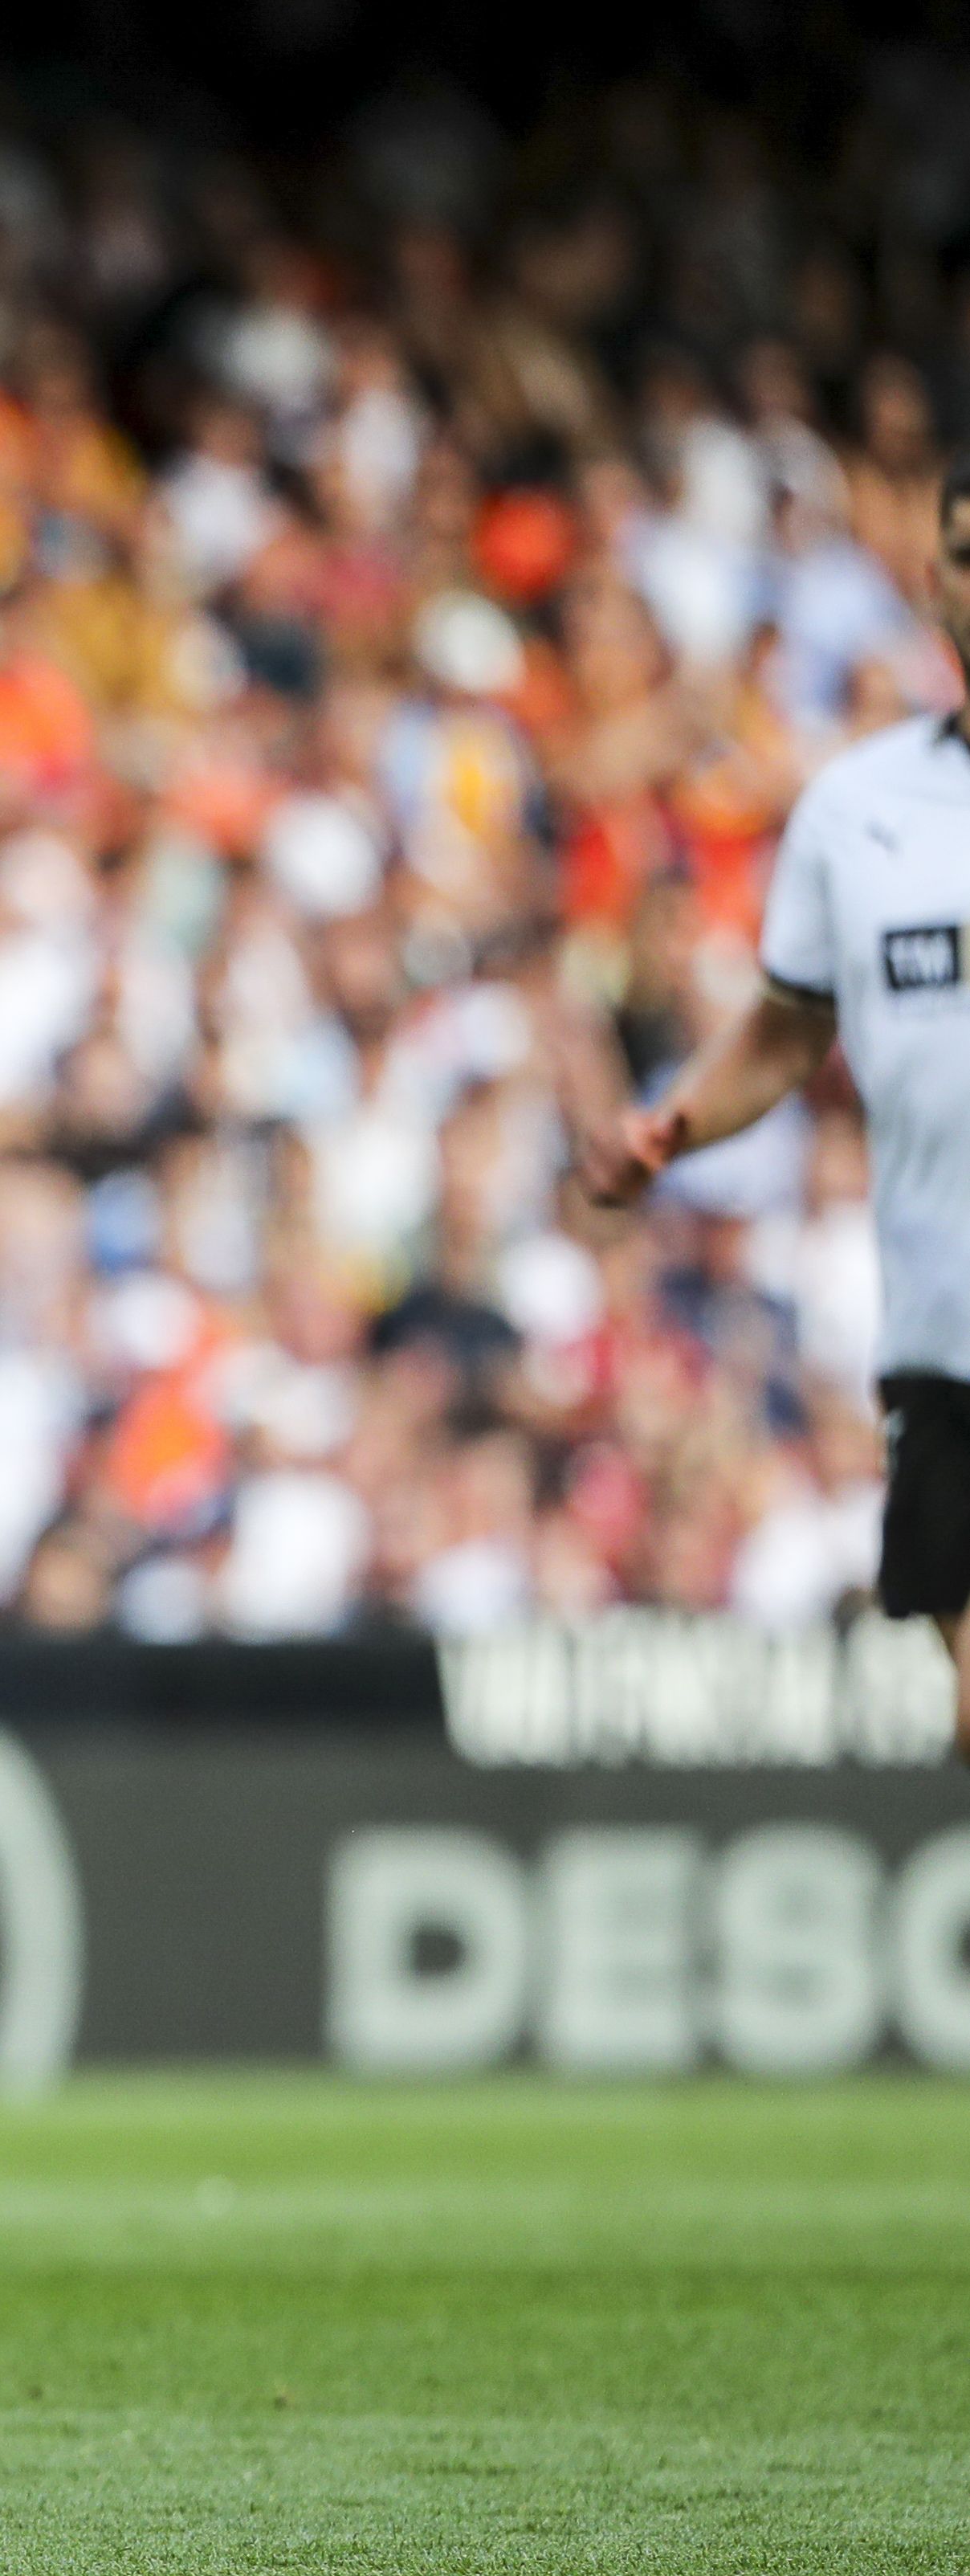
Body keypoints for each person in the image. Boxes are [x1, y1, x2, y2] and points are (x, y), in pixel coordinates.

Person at [588, 456, 970, 1749]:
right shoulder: (854, 814)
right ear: (934, 586)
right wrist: (674, 1124)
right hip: (940, 1332)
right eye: (966, 553)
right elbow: (786, 1029)